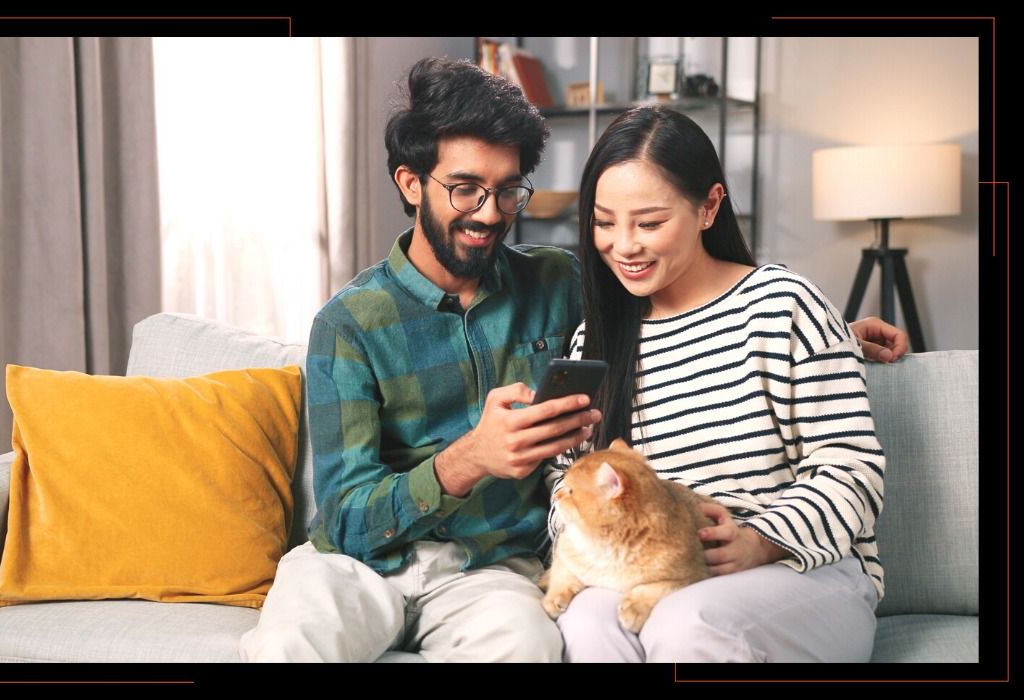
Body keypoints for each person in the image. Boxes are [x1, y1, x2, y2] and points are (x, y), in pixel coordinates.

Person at [240, 57, 905, 663]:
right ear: (411, 184)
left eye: (507, 191)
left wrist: (833, 337)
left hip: (491, 572)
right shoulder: (350, 324)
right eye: (466, 189)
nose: (489, 214)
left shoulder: (560, 288)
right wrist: (470, 459)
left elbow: (710, 315)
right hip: (361, 566)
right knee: (292, 649)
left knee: (551, 642)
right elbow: (350, 515)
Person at [547, 105, 887, 663]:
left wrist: (761, 540)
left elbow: (852, 467)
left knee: (686, 623)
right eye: (605, 222)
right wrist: (599, 539)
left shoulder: (782, 306)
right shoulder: (598, 339)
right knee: (583, 621)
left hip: (801, 568)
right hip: (651, 566)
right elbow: (567, 482)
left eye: (650, 223)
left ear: (709, 208)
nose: (624, 245)